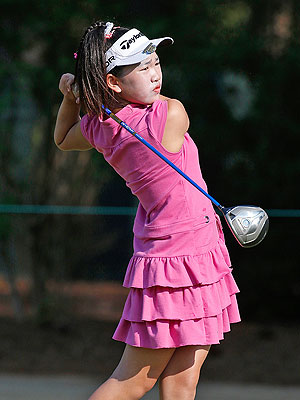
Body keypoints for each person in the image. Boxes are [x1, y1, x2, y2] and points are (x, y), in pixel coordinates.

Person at [54, 20, 241, 400]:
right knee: (133, 381)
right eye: (142, 68)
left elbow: (62, 139)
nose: (156, 74)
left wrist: (72, 97)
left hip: (192, 254)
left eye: (155, 62)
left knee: (183, 383)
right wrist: (82, 92)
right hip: (179, 262)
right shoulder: (171, 113)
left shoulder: (99, 125)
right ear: (112, 82)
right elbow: (152, 112)